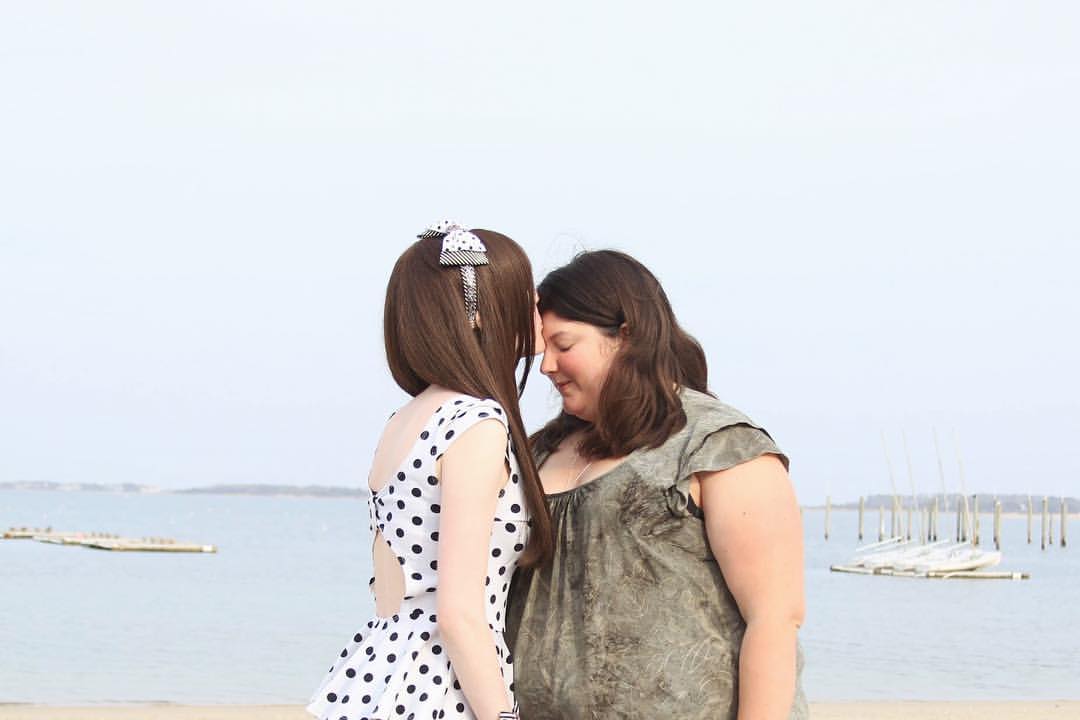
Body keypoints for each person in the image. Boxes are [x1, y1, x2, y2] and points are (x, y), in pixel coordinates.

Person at [506, 250, 808, 720]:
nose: (547, 366)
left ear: (625, 336)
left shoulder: (716, 445)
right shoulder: (539, 450)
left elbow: (775, 619)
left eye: (563, 345)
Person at [307, 221, 552, 720]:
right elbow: (460, 614)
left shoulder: (405, 420)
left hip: (374, 675)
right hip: (438, 685)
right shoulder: (476, 424)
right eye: (527, 296)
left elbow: (388, 588)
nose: (539, 311)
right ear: (481, 310)